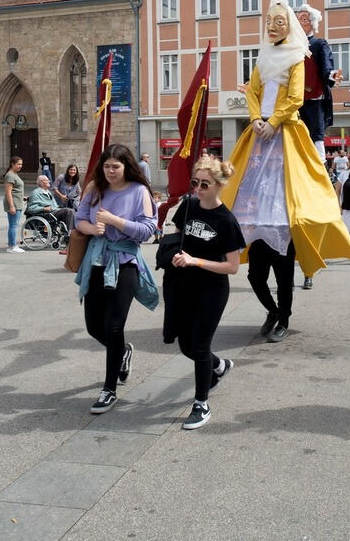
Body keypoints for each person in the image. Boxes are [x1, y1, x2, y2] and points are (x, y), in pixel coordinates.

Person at [222, 0, 350, 325]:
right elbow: (253, 91)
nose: (272, 26)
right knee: (241, 183)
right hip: (259, 131)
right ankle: (274, 310)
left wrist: (274, 121)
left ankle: (283, 312)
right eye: (269, 21)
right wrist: (256, 119)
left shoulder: (298, 56)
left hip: (285, 130)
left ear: (290, 26)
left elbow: (296, 97)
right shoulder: (262, 57)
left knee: (299, 184)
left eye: (279, 22)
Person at [75, 143, 158, 415]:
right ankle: (122, 353)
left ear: (127, 167)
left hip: (125, 264)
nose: (110, 171)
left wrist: (114, 221)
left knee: (113, 326)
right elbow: (79, 219)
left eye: (115, 166)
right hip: (96, 261)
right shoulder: (93, 188)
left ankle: (109, 389)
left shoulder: (139, 191)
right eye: (106, 166)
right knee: (92, 326)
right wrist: (91, 227)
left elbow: (148, 230)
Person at [165, 154, 245, 430]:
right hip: (183, 284)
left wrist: (195, 260)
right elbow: (175, 238)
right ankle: (219, 366)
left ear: (219, 185)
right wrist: (176, 255)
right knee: (186, 344)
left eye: (204, 184)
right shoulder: (187, 206)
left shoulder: (226, 221)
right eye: (195, 183)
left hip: (211, 290)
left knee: (199, 346)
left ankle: (201, 404)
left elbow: (232, 267)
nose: (198, 189)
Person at [294, 4, 342, 163]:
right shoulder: (291, 47)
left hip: (315, 98)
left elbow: (327, 65)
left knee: (317, 135)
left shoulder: (319, 44)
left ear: (311, 23)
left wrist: (332, 74)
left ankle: (320, 168)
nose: (299, 21)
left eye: (303, 18)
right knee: (297, 136)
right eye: (297, 18)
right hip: (295, 100)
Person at [3, 156, 25, 253]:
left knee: (13, 225)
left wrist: (22, 196)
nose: (20, 166)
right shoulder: (10, 175)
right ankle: (12, 246)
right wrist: (12, 206)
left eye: (21, 164)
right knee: (13, 225)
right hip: (14, 203)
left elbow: (16, 190)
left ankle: (11, 245)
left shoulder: (14, 174)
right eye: (18, 164)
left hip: (17, 201)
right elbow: (8, 192)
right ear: (13, 164)